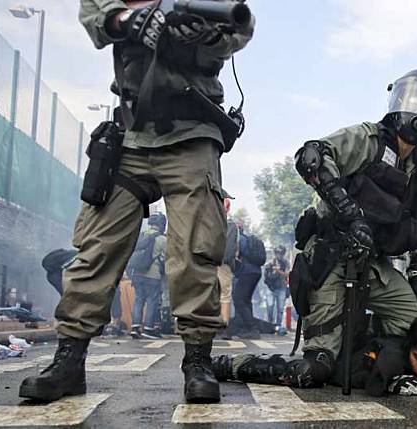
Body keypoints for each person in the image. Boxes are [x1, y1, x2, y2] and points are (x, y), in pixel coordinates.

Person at [19, 0, 254, 404]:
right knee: (97, 245)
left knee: (195, 249)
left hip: (192, 132)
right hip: (131, 132)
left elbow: (237, 29)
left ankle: (197, 361)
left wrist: (197, 34)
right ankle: (69, 360)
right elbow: (97, 15)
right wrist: (131, 18)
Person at [246, 69, 417, 389]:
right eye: (416, 99)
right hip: (333, 258)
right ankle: (237, 365)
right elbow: (311, 156)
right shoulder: (369, 139)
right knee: (316, 369)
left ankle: (364, 357)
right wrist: (351, 215)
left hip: (375, 265)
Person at [213, 313, 417, 396]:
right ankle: (229, 364)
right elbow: (372, 381)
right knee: (308, 373)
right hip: (347, 362)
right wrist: (391, 381)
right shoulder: (392, 356)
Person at [129, 212, 167, 340]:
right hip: (153, 275)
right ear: (161, 224)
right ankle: (148, 329)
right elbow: (168, 257)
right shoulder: (162, 239)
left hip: (137, 274)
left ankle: (135, 327)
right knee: (151, 301)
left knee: (138, 300)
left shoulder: (140, 236)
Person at [231, 225, 265, 339]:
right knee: (246, 300)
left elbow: (235, 254)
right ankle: (247, 328)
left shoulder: (239, 239)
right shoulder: (248, 239)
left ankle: (253, 329)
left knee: (238, 299)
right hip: (256, 272)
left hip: (247, 272)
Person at [219, 190, 238, 335]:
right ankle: (224, 325)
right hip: (224, 264)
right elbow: (232, 248)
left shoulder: (209, 223)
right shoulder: (231, 226)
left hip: (207, 262)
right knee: (225, 295)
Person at [264, 245, 290, 329]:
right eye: (278, 253)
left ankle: (278, 325)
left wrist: (278, 270)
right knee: (270, 307)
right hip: (271, 288)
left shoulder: (286, 263)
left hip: (282, 287)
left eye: (281, 253)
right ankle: (269, 324)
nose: (279, 255)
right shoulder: (270, 263)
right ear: (275, 253)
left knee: (280, 308)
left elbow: (287, 274)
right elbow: (266, 276)